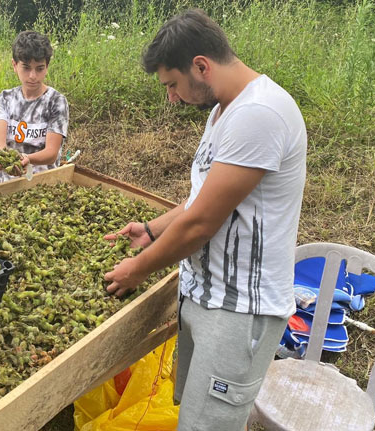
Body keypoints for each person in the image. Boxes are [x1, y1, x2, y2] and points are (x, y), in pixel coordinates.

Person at [103, 9, 307, 431]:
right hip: (208, 296)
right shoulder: (225, 111)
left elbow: (200, 226)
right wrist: (152, 229)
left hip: (239, 311)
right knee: (195, 416)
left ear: (201, 66)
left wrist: (136, 270)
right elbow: (199, 202)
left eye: (172, 85)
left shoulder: (259, 115)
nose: (172, 98)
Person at [0, 30, 69, 183]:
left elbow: (51, 153)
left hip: (42, 183)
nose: (33, 76)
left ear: (47, 66)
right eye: (26, 68)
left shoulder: (55, 101)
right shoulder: (5, 99)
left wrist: (26, 159)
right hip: (6, 182)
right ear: (14, 65)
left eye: (39, 68)